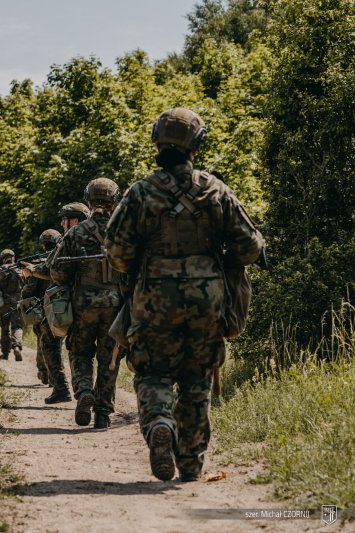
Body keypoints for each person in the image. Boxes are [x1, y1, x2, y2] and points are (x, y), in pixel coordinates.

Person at [106, 107, 264, 481]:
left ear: (157, 143)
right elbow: (250, 248)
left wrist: (147, 266)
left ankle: (161, 422)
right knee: (196, 379)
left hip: (154, 298)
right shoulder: (216, 190)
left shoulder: (140, 192)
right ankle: (191, 462)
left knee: (152, 371)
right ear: (197, 145)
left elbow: (116, 253)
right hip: (207, 299)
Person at [48, 181, 124, 430]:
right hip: (115, 307)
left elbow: (57, 272)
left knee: (80, 352)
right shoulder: (123, 232)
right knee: (109, 358)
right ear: (114, 201)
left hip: (83, 306)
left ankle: (83, 392)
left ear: (89, 201)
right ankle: (102, 413)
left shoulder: (76, 233)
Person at [21, 229, 71, 404]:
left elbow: (29, 290)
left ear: (43, 244)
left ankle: (60, 386)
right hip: (72, 306)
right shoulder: (67, 255)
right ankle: (84, 388)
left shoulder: (39, 265)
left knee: (49, 345)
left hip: (49, 310)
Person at [0, 249, 25, 361]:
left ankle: (5, 354)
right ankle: (17, 347)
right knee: (17, 326)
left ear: (3, 259)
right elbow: (26, 283)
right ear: (13, 257)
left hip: (4, 303)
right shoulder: (19, 268)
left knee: (5, 328)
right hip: (18, 302)